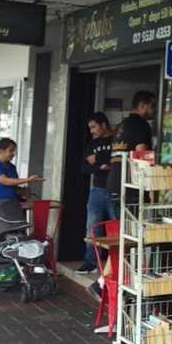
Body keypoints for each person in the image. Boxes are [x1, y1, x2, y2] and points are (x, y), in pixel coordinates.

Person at [92, 91, 157, 299]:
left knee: (124, 236)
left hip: (114, 184)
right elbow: (142, 157)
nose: (153, 111)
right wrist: (152, 187)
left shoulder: (121, 126)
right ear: (144, 105)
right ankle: (110, 284)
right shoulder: (141, 126)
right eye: (152, 106)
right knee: (130, 238)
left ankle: (110, 283)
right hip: (130, 188)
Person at [0, 138, 42, 284]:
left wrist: (23, 192)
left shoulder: (11, 167)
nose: (13, 154)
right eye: (11, 150)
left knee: (18, 241)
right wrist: (27, 180)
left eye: (14, 150)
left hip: (14, 207)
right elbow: (4, 181)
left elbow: (13, 186)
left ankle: (16, 273)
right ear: (1, 150)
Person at [75, 113, 115, 275]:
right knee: (91, 227)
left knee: (116, 227)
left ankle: (116, 263)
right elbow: (84, 168)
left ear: (103, 124)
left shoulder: (117, 140)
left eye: (94, 126)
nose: (91, 131)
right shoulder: (93, 143)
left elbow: (118, 160)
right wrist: (101, 166)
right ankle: (90, 262)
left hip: (115, 189)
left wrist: (98, 158)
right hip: (97, 190)